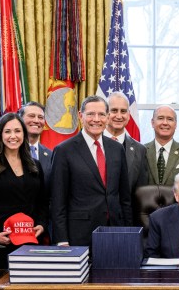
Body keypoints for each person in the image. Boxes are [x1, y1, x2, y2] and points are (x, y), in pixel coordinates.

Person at [50, 95, 132, 246]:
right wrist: (61, 239)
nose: (96, 119)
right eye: (91, 114)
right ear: (81, 116)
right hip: (79, 234)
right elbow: (57, 201)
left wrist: (128, 233)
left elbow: (124, 197)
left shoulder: (117, 148)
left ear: (107, 118)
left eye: (101, 114)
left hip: (115, 231)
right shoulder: (64, 151)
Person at [0, 112, 49, 271]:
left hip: (31, 242)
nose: (13, 136)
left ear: (24, 134)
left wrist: (41, 225)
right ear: (0, 135)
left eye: (17, 131)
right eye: (7, 131)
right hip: (1, 245)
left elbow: (42, 202)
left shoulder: (35, 165)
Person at [106, 91, 148, 194]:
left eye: (123, 111)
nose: (119, 116)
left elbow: (141, 191)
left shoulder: (140, 150)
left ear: (129, 114)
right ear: (106, 113)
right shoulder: (92, 143)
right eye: (114, 110)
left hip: (127, 209)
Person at [145, 105, 179, 187]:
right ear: (152, 123)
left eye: (170, 119)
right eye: (160, 118)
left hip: (175, 200)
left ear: (175, 124)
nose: (165, 123)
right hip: (145, 200)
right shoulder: (141, 151)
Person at [19, 101, 53, 182]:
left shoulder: (51, 155)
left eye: (40, 117)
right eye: (31, 116)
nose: (36, 121)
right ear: (20, 119)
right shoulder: (11, 151)